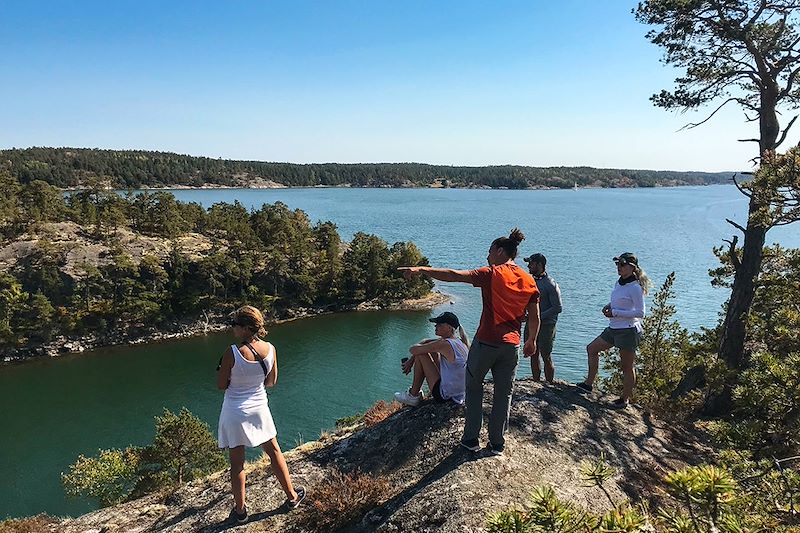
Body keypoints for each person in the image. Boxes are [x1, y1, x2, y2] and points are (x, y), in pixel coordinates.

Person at [399, 228, 540, 456]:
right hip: (511, 346)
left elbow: (454, 275)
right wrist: (531, 340)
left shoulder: (492, 273)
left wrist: (421, 269)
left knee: (473, 389)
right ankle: (497, 445)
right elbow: (535, 315)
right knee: (504, 394)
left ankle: (471, 440)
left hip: (486, 343)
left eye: (489, 251)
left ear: (500, 251)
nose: (487, 256)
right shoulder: (528, 280)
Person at [216, 305, 305, 523]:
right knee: (274, 452)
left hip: (234, 411)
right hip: (259, 408)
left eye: (235, 325)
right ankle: (292, 497)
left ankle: (240, 512)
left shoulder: (232, 352)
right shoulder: (271, 349)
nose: (233, 329)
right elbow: (271, 382)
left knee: (237, 464)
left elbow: (221, 385)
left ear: (246, 328)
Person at [576, 252, 650, 409]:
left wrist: (615, 313)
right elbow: (619, 300)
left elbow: (640, 313)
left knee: (627, 367)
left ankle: (624, 400)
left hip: (628, 331)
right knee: (591, 349)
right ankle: (588, 385)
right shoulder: (620, 283)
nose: (619, 267)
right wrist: (609, 305)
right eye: (618, 264)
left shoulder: (635, 288)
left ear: (632, 267)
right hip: (614, 328)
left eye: (622, 265)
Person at [394, 311, 470, 407]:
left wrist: (411, 360)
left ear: (449, 327)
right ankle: (415, 393)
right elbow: (425, 341)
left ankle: (413, 395)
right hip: (459, 393)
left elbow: (413, 350)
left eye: (439, 324)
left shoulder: (444, 344)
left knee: (421, 355)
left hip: (445, 396)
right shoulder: (458, 341)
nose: (435, 326)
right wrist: (411, 361)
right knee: (429, 352)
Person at [522, 253, 562, 383]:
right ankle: (536, 382)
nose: (528, 265)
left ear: (540, 265)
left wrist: (537, 317)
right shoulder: (530, 281)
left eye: (531, 263)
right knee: (532, 353)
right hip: (532, 323)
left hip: (546, 325)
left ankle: (549, 384)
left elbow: (558, 307)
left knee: (546, 355)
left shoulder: (550, 284)